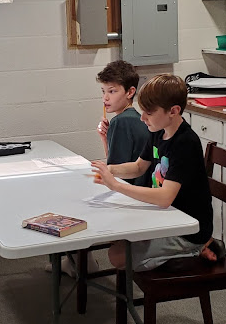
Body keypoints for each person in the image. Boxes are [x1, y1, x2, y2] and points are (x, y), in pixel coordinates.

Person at [91, 73, 223, 272]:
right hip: (166, 217)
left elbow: (164, 197)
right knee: (116, 236)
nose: (142, 118)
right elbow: (138, 167)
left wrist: (115, 185)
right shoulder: (158, 131)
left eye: (149, 113)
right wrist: (109, 170)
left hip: (187, 229)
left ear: (173, 111)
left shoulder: (185, 142)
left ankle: (196, 249)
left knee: (117, 256)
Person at [47, 60, 150, 277]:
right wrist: (105, 138)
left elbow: (115, 172)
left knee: (71, 199)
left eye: (112, 91)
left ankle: (79, 261)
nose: (105, 98)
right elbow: (117, 165)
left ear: (130, 92)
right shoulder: (132, 119)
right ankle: (77, 260)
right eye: (103, 91)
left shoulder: (121, 122)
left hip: (131, 196)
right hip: (136, 189)